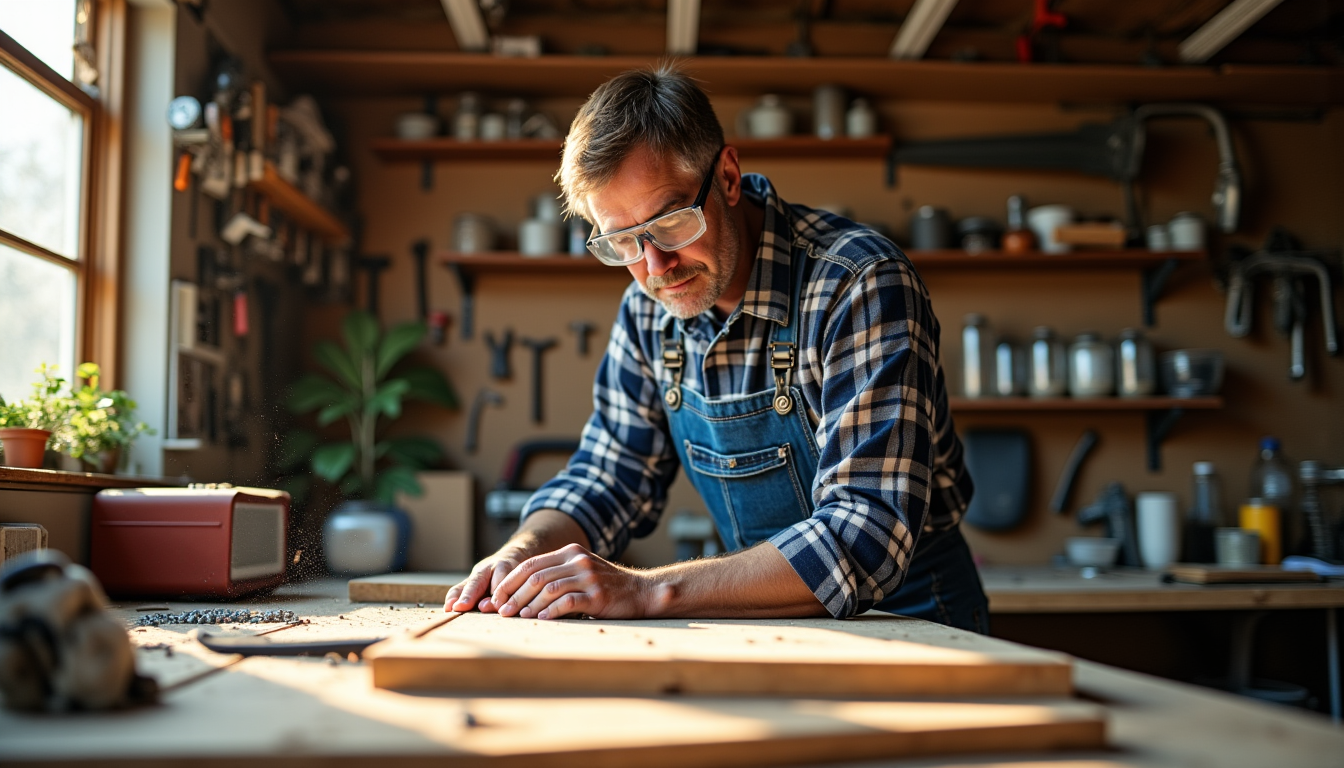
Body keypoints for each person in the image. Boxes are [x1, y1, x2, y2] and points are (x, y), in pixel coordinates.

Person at [444, 64, 988, 632]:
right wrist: (522, 553)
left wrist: (644, 591)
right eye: (623, 241)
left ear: (727, 176)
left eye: (671, 222)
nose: (655, 267)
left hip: (912, 619)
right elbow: (606, 478)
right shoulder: (647, 311)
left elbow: (865, 533)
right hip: (759, 616)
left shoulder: (857, 283)